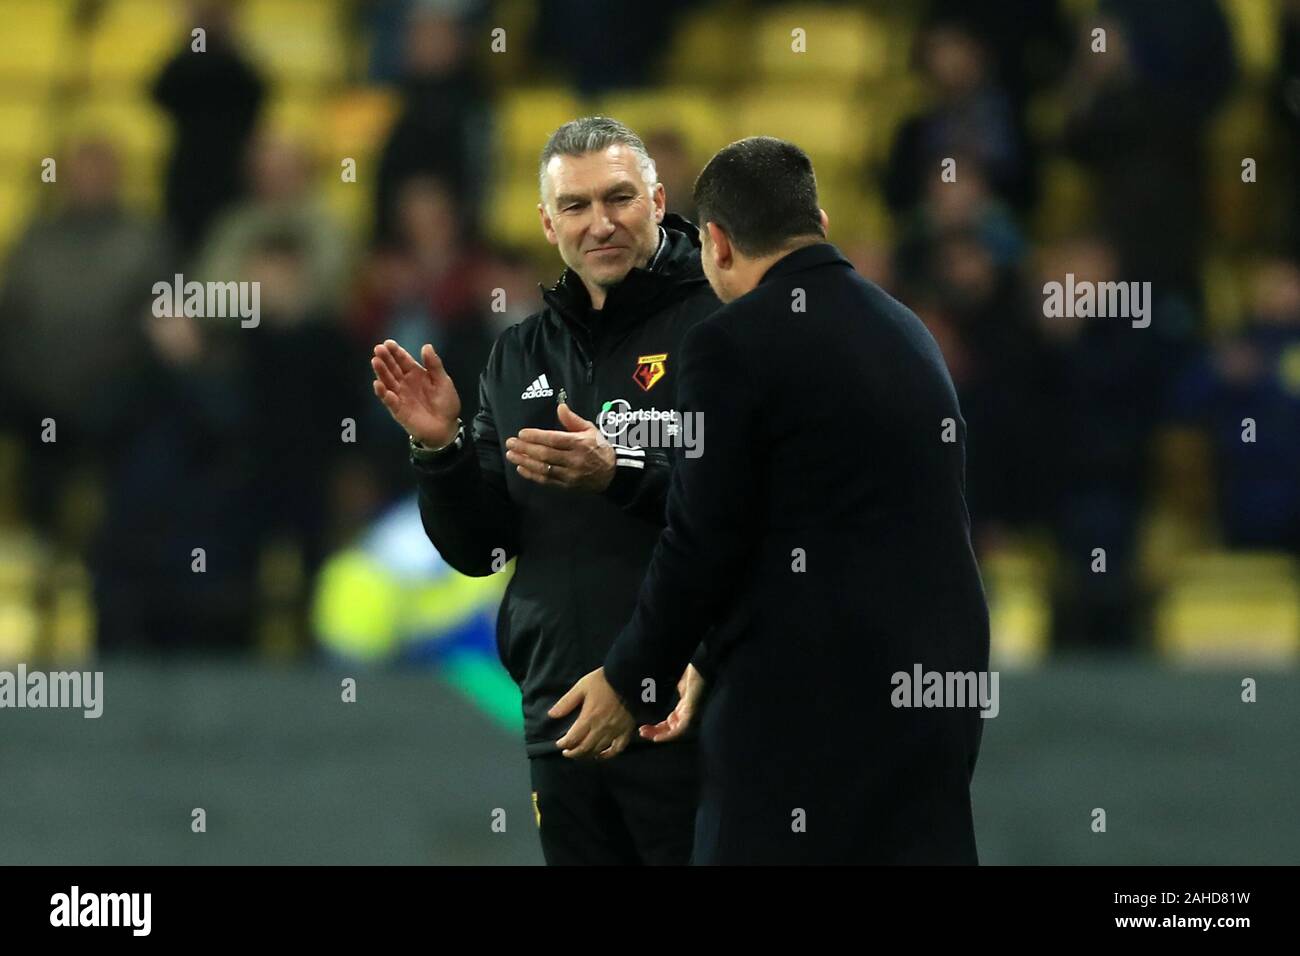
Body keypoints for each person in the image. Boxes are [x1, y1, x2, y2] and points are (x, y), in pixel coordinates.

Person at [552, 137, 991, 864]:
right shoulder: (906, 331)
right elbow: (810, 512)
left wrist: (632, 678)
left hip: (807, 707)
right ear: (817, 218)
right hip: (937, 696)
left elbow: (703, 538)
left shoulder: (732, 343)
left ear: (716, 243)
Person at [370, 117, 720, 865]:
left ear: (658, 200)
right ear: (546, 222)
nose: (601, 223)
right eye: (576, 206)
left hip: (686, 713)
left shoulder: (721, 327)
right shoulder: (518, 352)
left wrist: (618, 473)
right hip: (564, 714)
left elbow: (745, 506)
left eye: (619, 198)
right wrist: (441, 449)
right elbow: (480, 548)